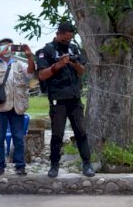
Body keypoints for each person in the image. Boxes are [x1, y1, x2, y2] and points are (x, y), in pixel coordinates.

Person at [36, 21, 95, 178]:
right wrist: (59, 64)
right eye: (65, 38)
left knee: (81, 132)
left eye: (70, 38)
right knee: (57, 134)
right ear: (59, 34)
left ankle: (87, 164)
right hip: (58, 99)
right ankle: (54, 165)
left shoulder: (73, 48)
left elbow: (82, 71)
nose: (67, 41)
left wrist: (75, 64)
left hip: (74, 98)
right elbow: (41, 75)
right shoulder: (46, 50)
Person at [0, 37, 35, 177]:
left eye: (9, 47)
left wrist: (29, 57)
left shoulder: (18, 63)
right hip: (0, 107)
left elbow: (30, 74)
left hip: (17, 106)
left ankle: (20, 165)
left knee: (18, 137)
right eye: (3, 47)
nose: (7, 50)